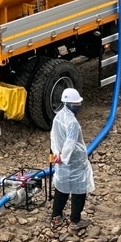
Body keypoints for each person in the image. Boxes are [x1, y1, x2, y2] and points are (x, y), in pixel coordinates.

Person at [49, 87, 93, 229]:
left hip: (61, 160)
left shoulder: (59, 116)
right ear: (70, 104)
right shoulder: (72, 122)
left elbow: (53, 136)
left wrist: (56, 153)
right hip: (74, 161)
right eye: (77, 104)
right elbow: (71, 142)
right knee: (79, 190)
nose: (79, 106)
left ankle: (56, 217)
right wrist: (63, 156)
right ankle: (75, 221)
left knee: (61, 187)